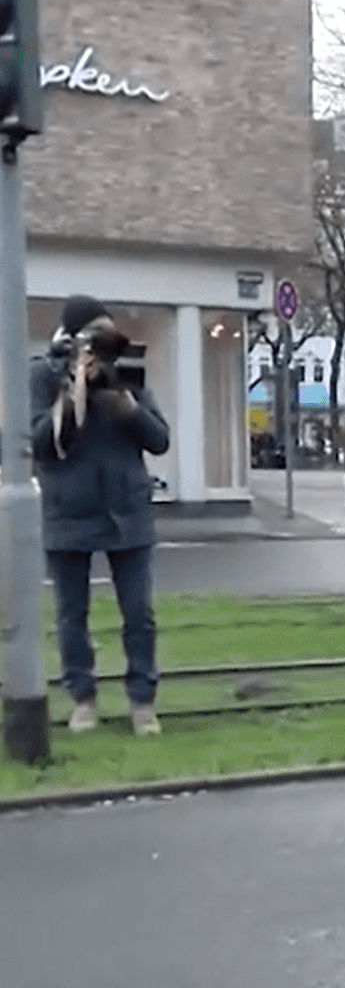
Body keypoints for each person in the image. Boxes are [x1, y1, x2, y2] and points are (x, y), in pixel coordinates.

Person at [30, 294, 171, 737]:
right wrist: (72, 394)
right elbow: (37, 443)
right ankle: (82, 699)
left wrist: (122, 402)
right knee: (72, 616)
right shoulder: (42, 374)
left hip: (126, 511)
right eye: (93, 338)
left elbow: (159, 439)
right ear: (71, 339)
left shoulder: (125, 375)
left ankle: (142, 702)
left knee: (139, 613)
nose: (99, 350)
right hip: (67, 512)